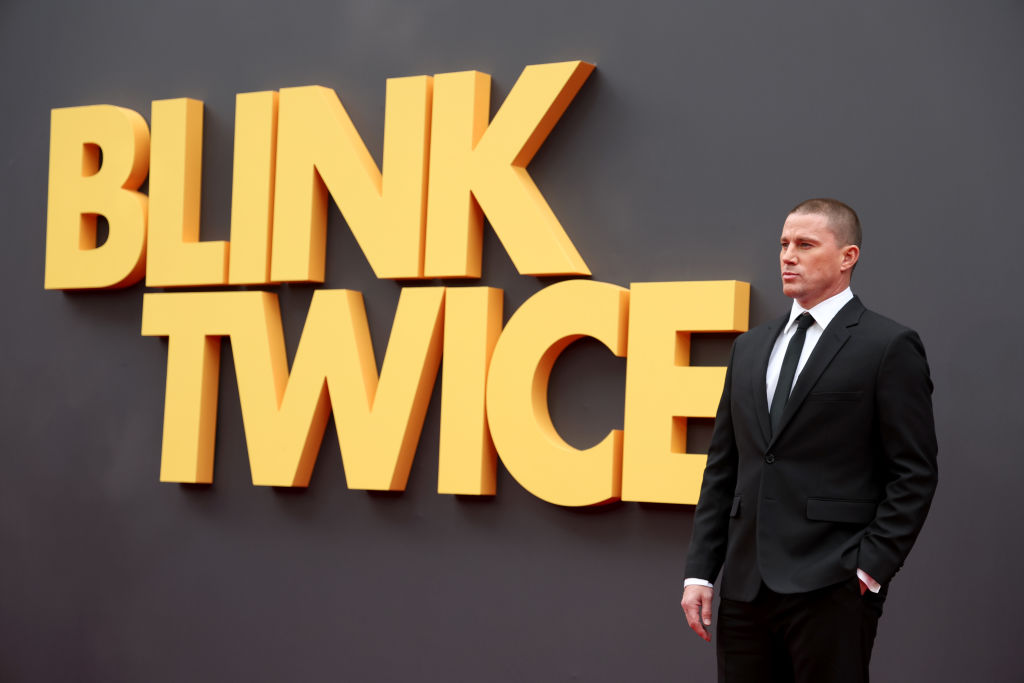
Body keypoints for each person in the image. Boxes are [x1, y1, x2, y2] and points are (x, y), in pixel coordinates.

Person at [679, 198, 938, 683]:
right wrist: (700, 571)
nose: (788, 256)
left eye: (805, 244)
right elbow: (724, 467)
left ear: (847, 257)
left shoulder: (887, 346)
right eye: (783, 245)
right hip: (745, 589)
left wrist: (868, 570)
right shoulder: (749, 347)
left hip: (831, 586)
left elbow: (914, 473)